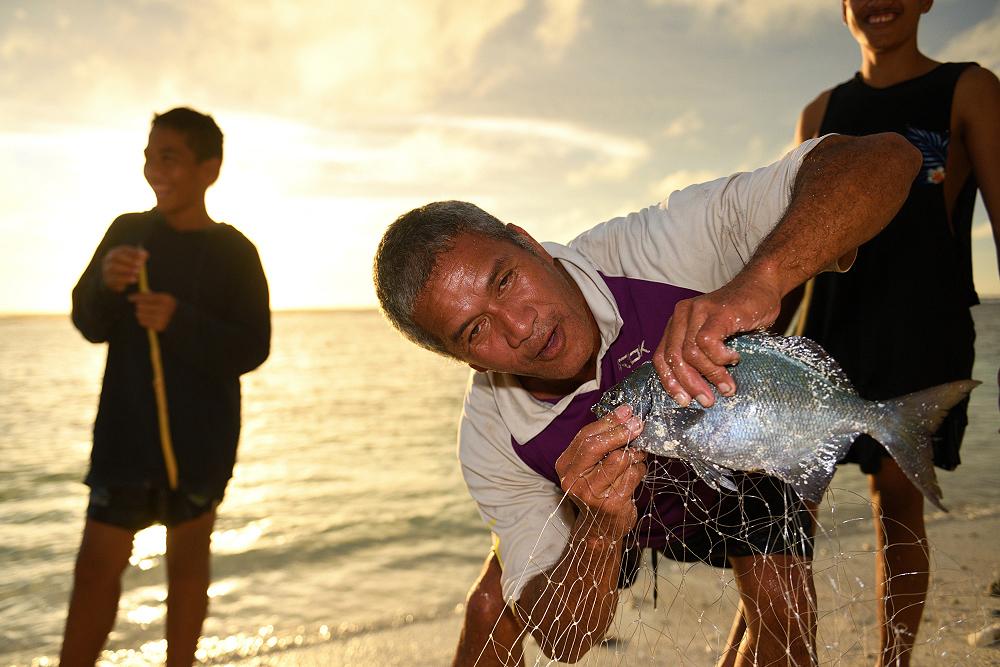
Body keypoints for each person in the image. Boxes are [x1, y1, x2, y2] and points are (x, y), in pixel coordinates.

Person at [373, 132, 921, 666]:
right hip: (601, 515)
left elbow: (885, 158)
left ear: (528, 243)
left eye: (505, 279)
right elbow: (565, 642)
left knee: (783, 616)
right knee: (491, 607)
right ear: (470, 363)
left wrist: (761, 280)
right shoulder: (493, 436)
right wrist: (595, 530)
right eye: (475, 331)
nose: (519, 326)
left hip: (744, 456)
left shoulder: (659, 249)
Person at [790, 3, 1000, 665]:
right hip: (826, 324)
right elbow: (792, 242)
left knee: (897, 499)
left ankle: (895, 661)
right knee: (790, 505)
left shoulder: (968, 87)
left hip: (921, 323)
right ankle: (777, 651)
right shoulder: (819, 112)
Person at [62, 107, 271, 667]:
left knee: (187, 567)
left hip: (200, 446)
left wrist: (178, 320)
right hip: (123, 441)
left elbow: (253, 347)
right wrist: (106, 285)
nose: (154, 170)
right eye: (149, 157)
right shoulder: (126, 232)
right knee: (95, 571)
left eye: (169, 158)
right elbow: (88, 323)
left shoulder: (235, 251)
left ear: (210, 168)